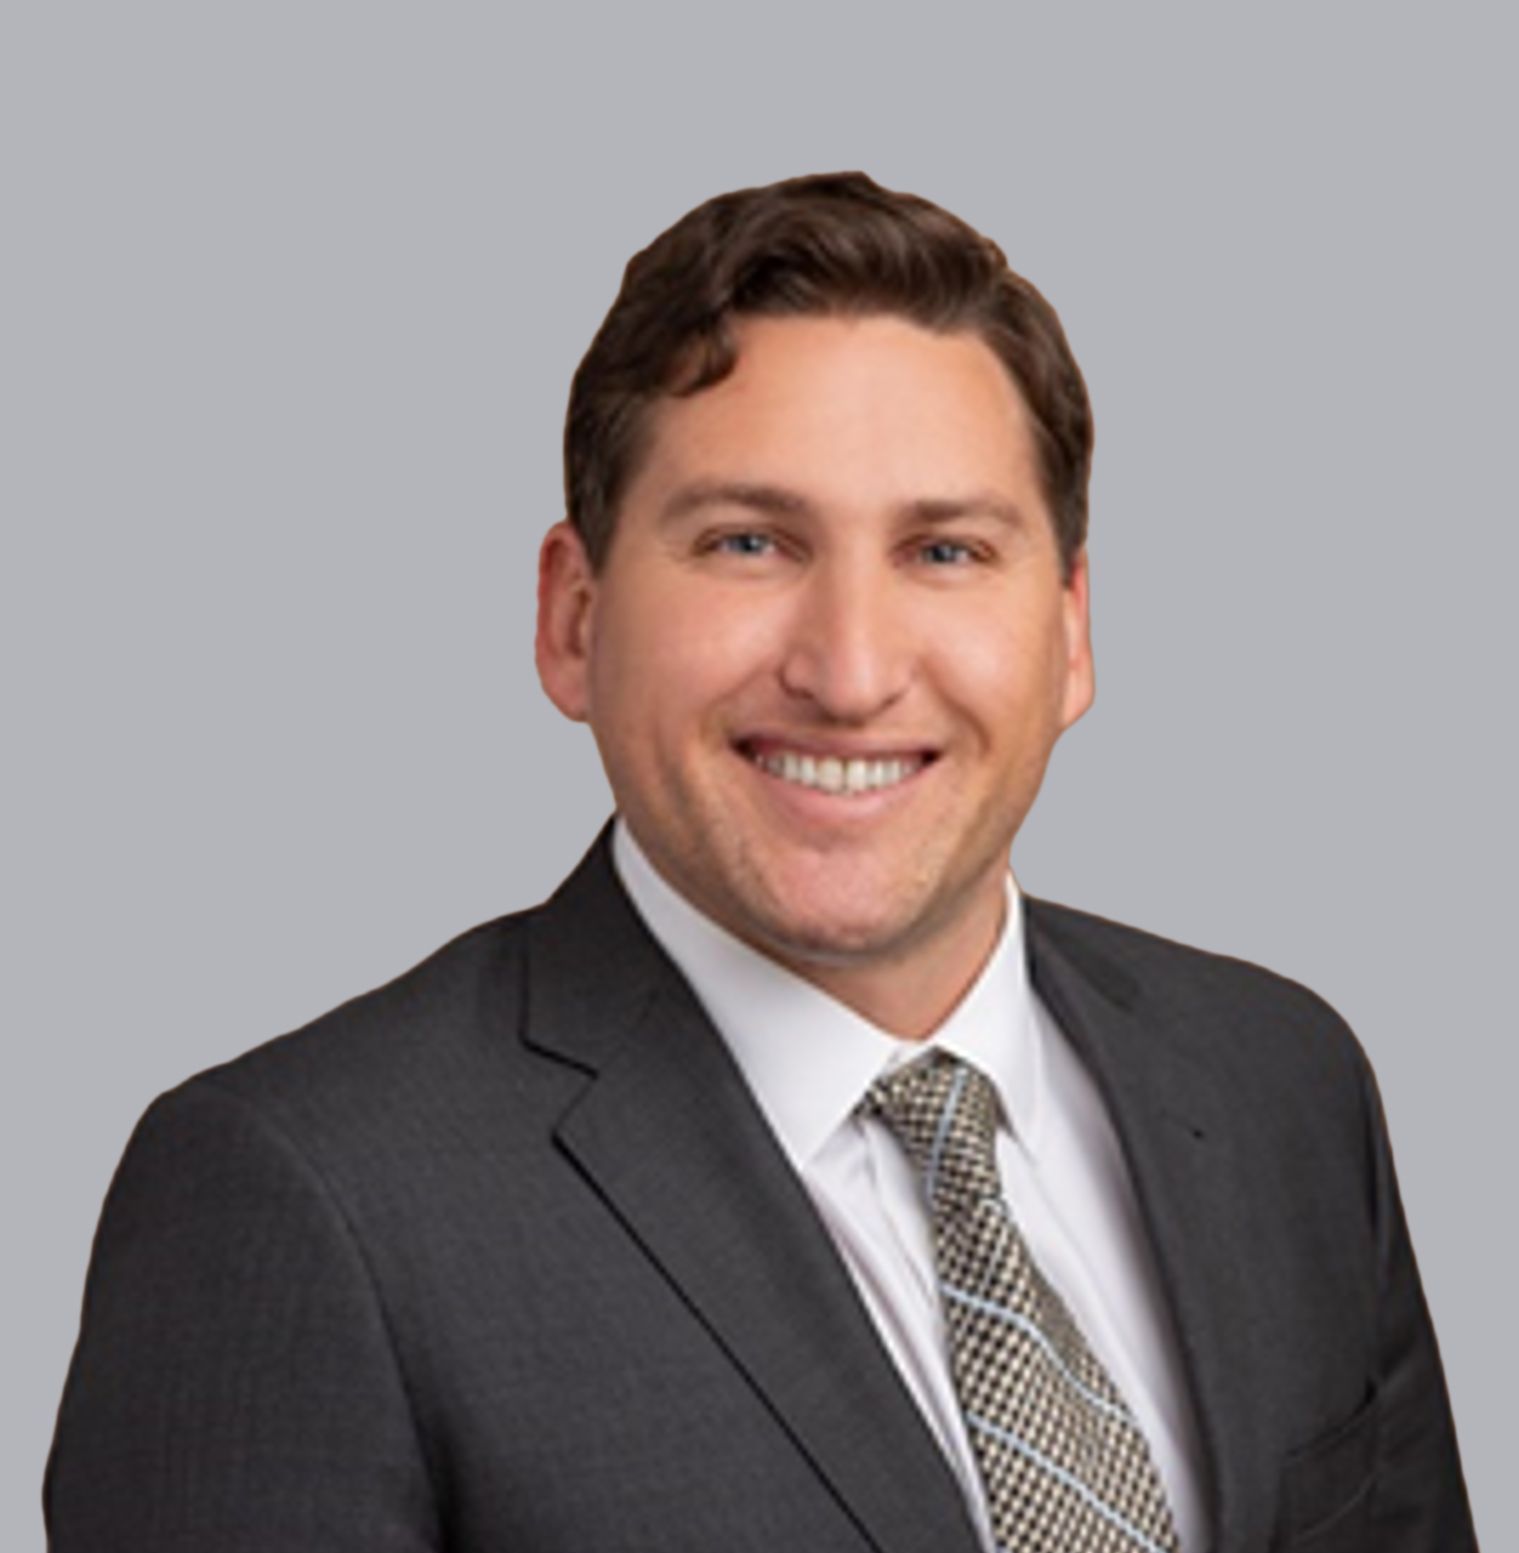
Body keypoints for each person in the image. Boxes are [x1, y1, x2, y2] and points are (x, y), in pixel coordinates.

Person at [44, 172, 1476, 1552]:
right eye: (748, 540)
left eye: (948, 552)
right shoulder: (301, 1203)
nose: (849, 672)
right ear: (573, 618)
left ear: (1073, 629)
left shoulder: (1283, 1087)